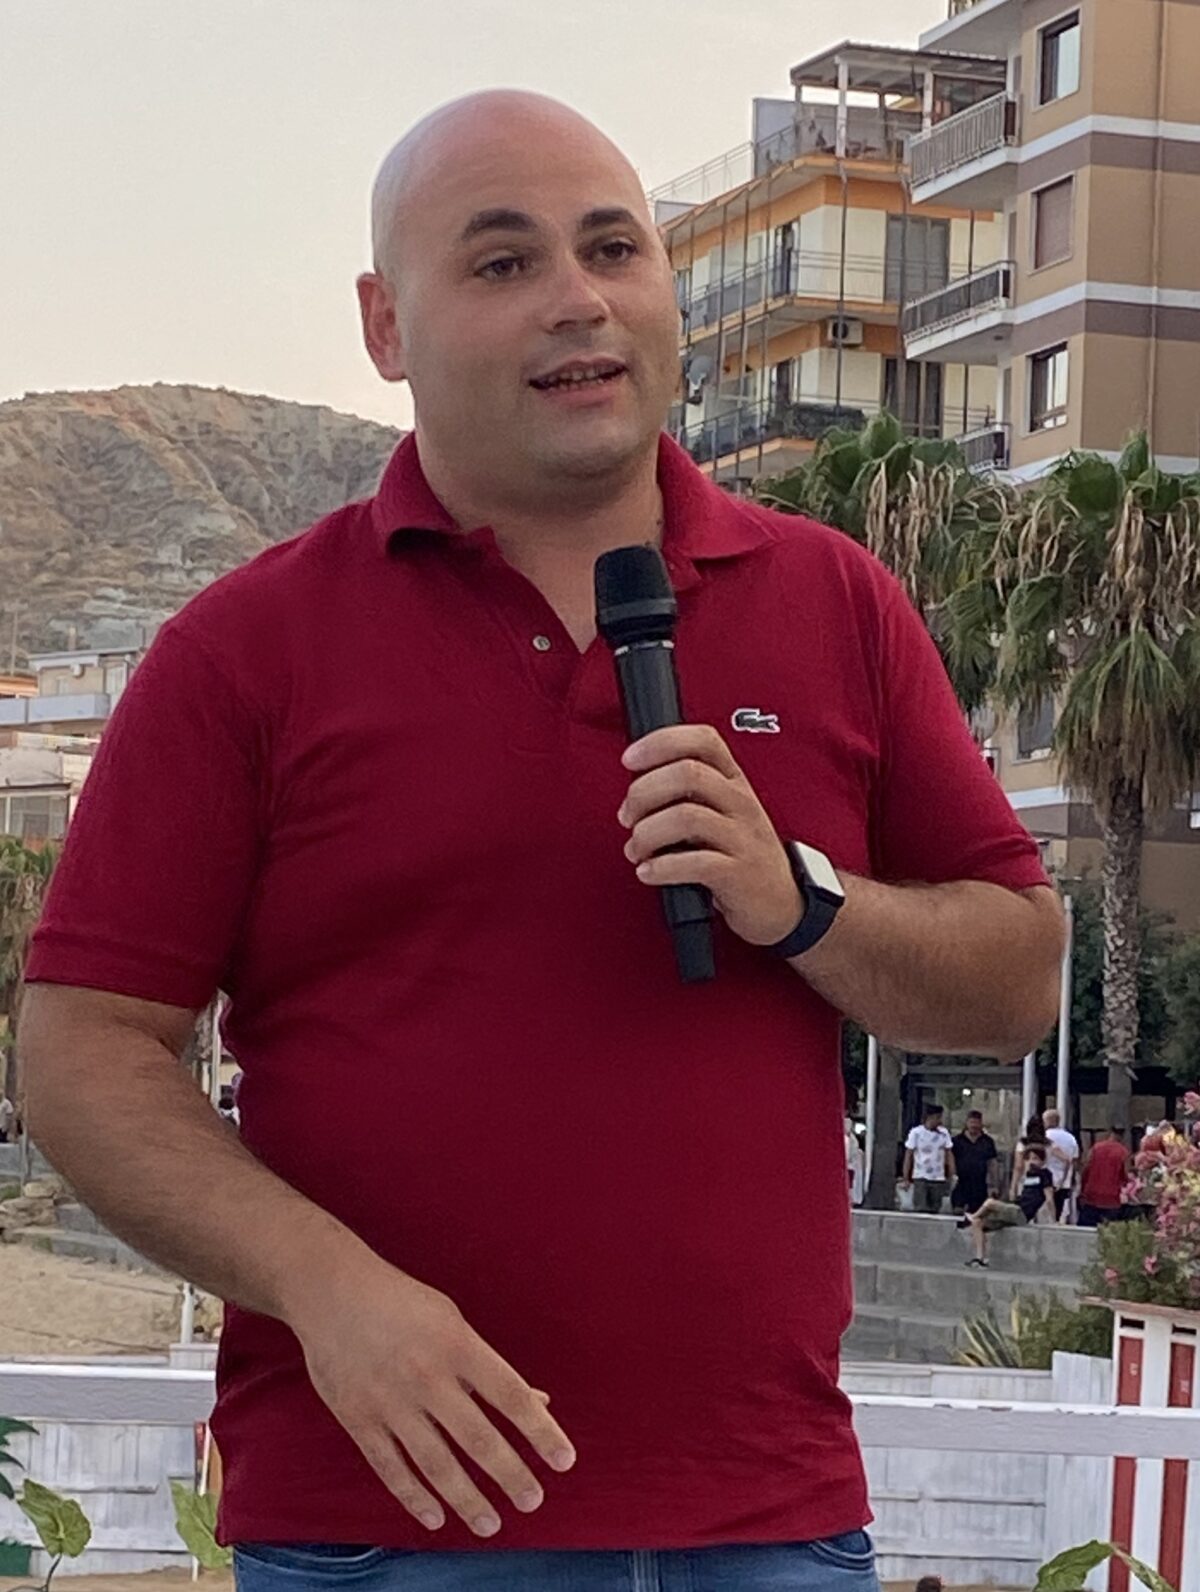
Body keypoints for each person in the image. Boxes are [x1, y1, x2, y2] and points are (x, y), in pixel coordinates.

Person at [18, 91, 1065, 1592]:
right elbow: (83, 1052)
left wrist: (803, 899)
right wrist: (330, 1290)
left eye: (614, 249)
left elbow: (1019, 975)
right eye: (504, 262)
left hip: (766, 1525)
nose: (579, 299)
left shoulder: (836, 601)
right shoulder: (243, 651)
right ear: (385, 324)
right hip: (383, 1532)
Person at [962, 1145, 1055, 1266]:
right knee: (977, 1223)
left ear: (1042, 1161)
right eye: (1029, 1159)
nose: (1031, 1162)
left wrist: (1054, 1219)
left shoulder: (1045, 1174)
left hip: (1021, 1213)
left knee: (990, 1203)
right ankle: (980, 1258)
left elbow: (1049, 1199)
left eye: (1035, 1158)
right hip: (1014, 1210)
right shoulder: (1028, 1175)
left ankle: (973, 1215)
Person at [903, 1104, 956, 1215]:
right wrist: (906, 1177)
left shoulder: (944, 1133)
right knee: (921, 1206)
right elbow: (909, 1155)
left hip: (938, 1177)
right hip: (921, 1175)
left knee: (935, 1207)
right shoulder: (916, 1133)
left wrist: (952, 1173)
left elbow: (949, 1153)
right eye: (937, 1117)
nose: (939, 1121)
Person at [1079, 1125, 1133, 1227]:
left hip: (1091, 1195)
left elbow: (1085, 1169)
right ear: (1123, 1135)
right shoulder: (1123, 1152)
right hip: (1112, 1198)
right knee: (1108, 1230)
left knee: (1086, 1229)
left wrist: (1082, 1190)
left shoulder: (1096, 1148)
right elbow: (1126, 1175)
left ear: (1110, 1132)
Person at [950, 1110, 998, 1217]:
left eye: (976, 1123)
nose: (974, 1126)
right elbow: (950, 1159)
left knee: (977, 1216)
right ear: (966, 1123)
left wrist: (994, 1185)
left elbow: (992, 1163)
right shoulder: (956, 1141)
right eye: (971, 1122)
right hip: (960, 1184)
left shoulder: (987, 1142)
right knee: (958, 1213)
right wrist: (952, 1176)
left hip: (980, 1185)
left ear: (981, 1124)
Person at [1043, 1107, 1079, 1222]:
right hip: (1064, 1182)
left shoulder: (1044, 1137)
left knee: (1046, 1215)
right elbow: (1075, 1160)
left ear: (1047, 1121)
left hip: (1046, 1181)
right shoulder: (1070, 1138)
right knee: (1059, 1211)